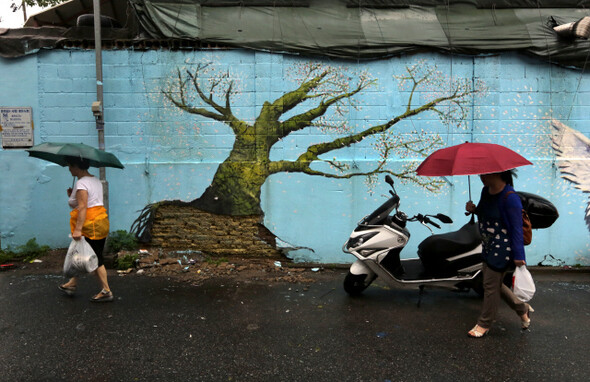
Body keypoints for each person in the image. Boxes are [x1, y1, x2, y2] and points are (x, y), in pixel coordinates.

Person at [465, 170, 533, 338]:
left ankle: (484, 323)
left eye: (484, 174)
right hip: (488, 245)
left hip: (504, 249)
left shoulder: (510, 198)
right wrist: (473, 210)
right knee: (493, 283)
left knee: (489, 285)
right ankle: (521, 308)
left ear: (498, 174)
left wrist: (519, 256)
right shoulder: (485, 191)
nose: (481, 177)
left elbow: (517, 230)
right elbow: (485, 214)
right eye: (480, 174)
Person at [58, 156, 114, 302]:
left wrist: (77, 229)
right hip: (100, 221)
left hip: (90, 225)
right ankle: (72, 283)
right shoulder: (95, 180)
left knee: (95, 258)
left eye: (70, 165)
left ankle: (106, 290)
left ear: (77, 166)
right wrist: (72, 197)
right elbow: (89, 202)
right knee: (83, 254)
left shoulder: (82, 183)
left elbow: (83, 207)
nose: (69, 168)